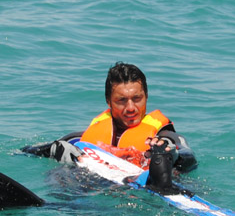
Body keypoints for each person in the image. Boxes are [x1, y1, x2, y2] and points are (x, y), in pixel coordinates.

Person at [22, 62, 197, 181]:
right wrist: (55, 149)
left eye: (137, 99)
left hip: (143, 190)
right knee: (60, 174)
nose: (131, 108)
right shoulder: (88, 135)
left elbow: (189, 156)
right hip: (96, 191)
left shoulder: (162, 136)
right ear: (109, 101)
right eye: (122, 101)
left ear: (146, 97)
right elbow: (28, 151)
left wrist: (171, 154)